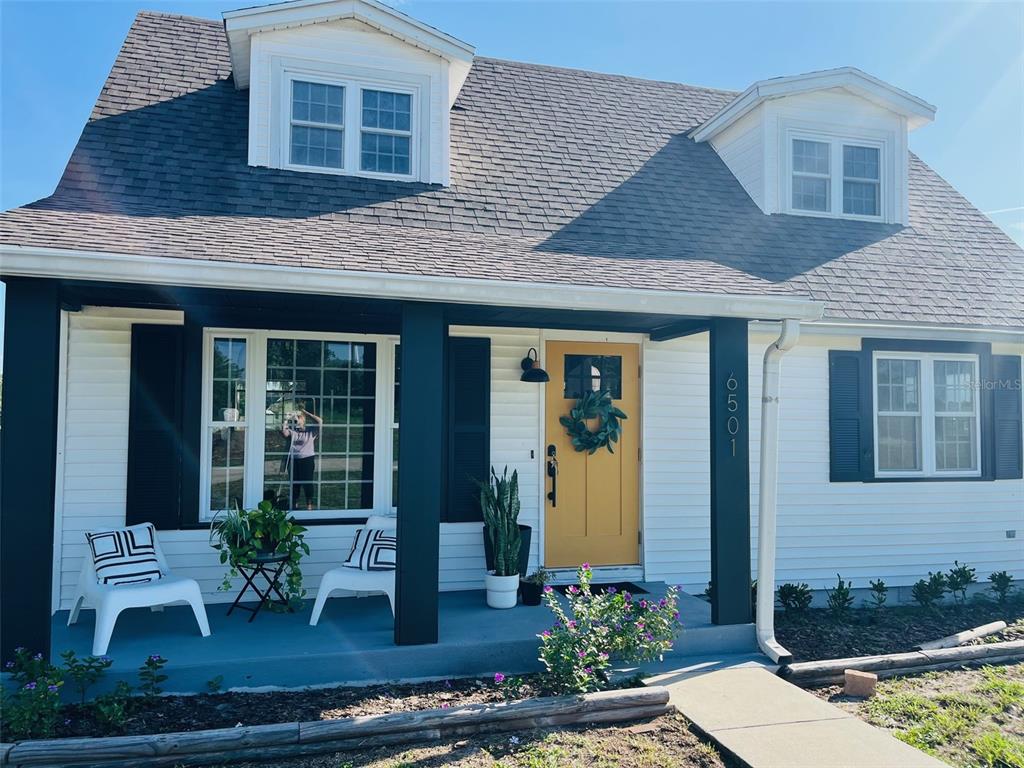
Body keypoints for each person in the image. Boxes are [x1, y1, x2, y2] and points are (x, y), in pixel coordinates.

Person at [282, 406, 322, 511]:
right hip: (294, 459)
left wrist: (306, 413)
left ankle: (309, 505)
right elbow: (284, 432)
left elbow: (320, 422)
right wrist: (286, 419)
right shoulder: (292, 431)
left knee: (307, 482)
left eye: (299, 419)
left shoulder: (311, 431)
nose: (296, 421)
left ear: (303, 421)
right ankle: (295, 504)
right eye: (295, 419)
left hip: (307, 459)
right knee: (294, 482)